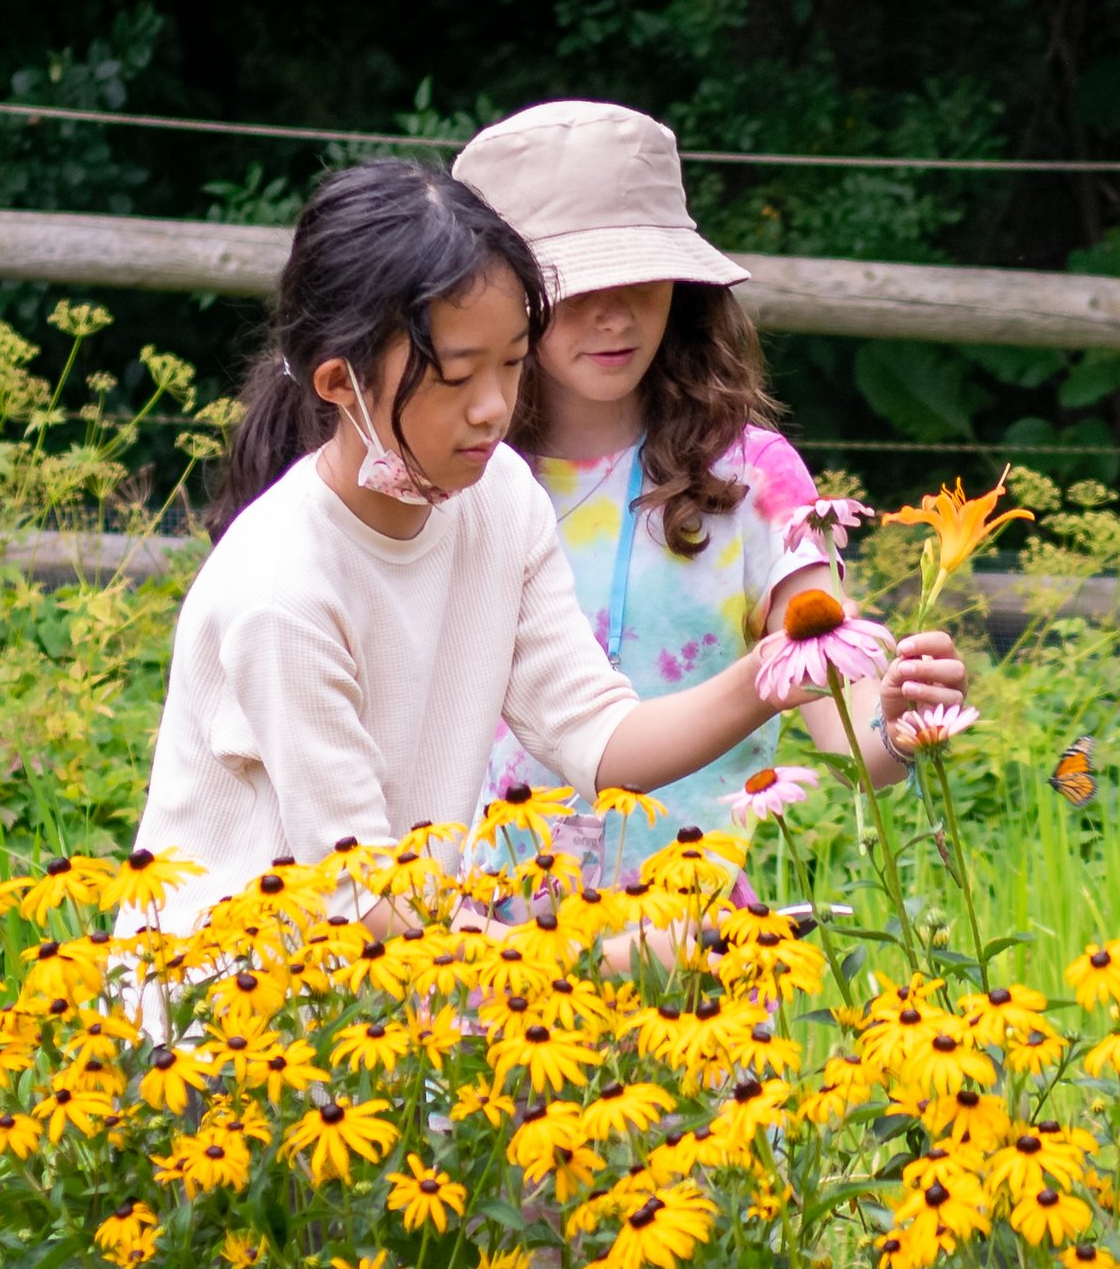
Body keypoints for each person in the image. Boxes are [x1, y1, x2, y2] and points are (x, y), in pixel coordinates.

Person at [119, 158, 966, 943]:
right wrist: (609, 965)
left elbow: (600, 738)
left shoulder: (498, 499)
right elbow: (364, 900)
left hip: (398, 1004)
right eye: (457, 376)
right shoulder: (283, 590)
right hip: (221, 1030)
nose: (493, 408)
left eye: (514, 363)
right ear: (342, 384)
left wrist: (778, 670)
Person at [450, 101, 967, 888]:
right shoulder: (456, 478)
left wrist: (901, 722)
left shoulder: (753, 479)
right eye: (572, 284)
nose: (613, 312)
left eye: (640, 274)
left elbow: (846, 725)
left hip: (698, 959)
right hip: (475, 960)